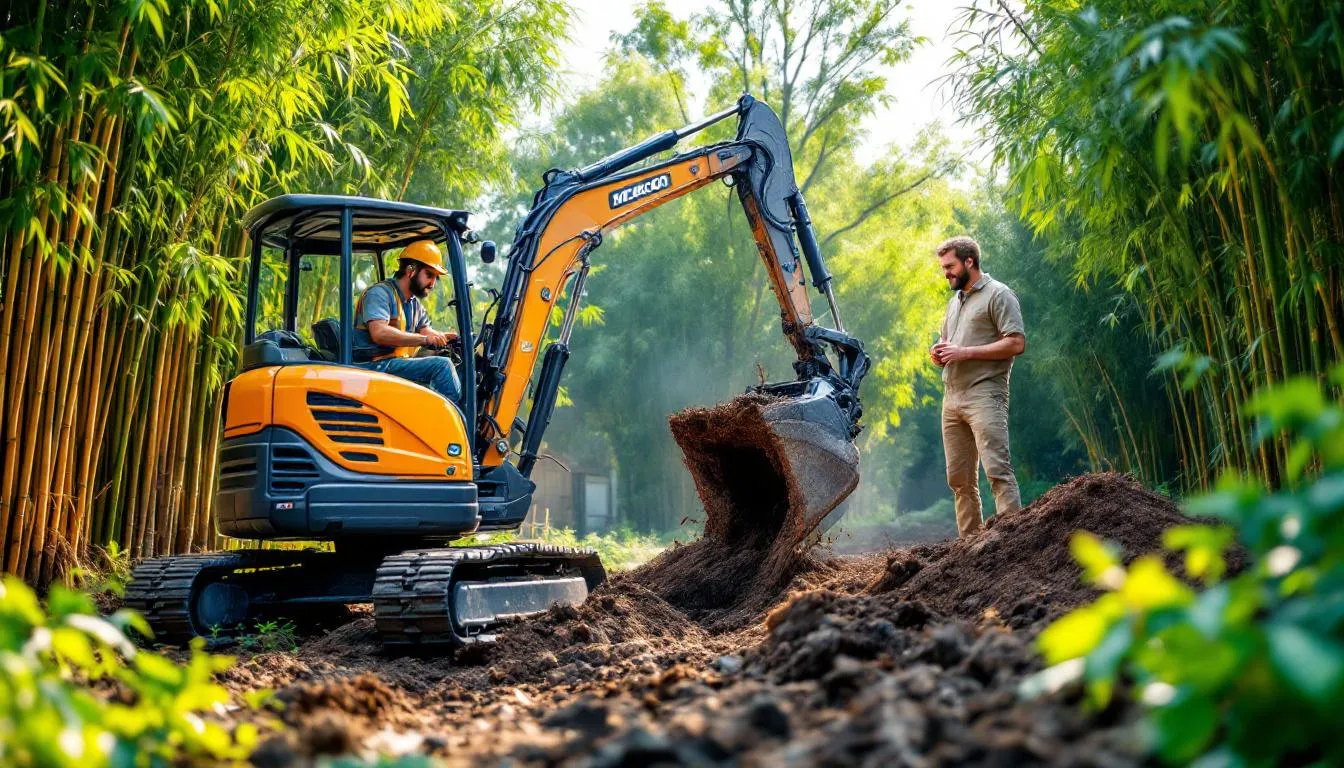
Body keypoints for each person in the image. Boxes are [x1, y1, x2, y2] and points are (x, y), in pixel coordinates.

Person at [929, 236, 1026, 537]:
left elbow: (1017, 342)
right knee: (959, 480)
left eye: (950, 266)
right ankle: (970, 550)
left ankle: (1014, 544)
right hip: (952, 397)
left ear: (969, 261)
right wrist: (939, 354)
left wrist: (965, 352)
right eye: (943, 267)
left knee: (997, 470)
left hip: (985, 394)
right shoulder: (953, 303)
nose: (946, 272)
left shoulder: (999, 294)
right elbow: (951, 346)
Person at [352, 239, 460, 402]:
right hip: (373, 366)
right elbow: (379, 333)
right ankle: (460, 421)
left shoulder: (414, 304)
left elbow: (425, 331)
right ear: (411, 270)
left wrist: (444, 337)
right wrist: (424, 340)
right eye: (429, 275)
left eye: (435, 278)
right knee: (442, 367)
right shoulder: (380, 294)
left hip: (393, 364)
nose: (432, 284)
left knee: (450, 363)